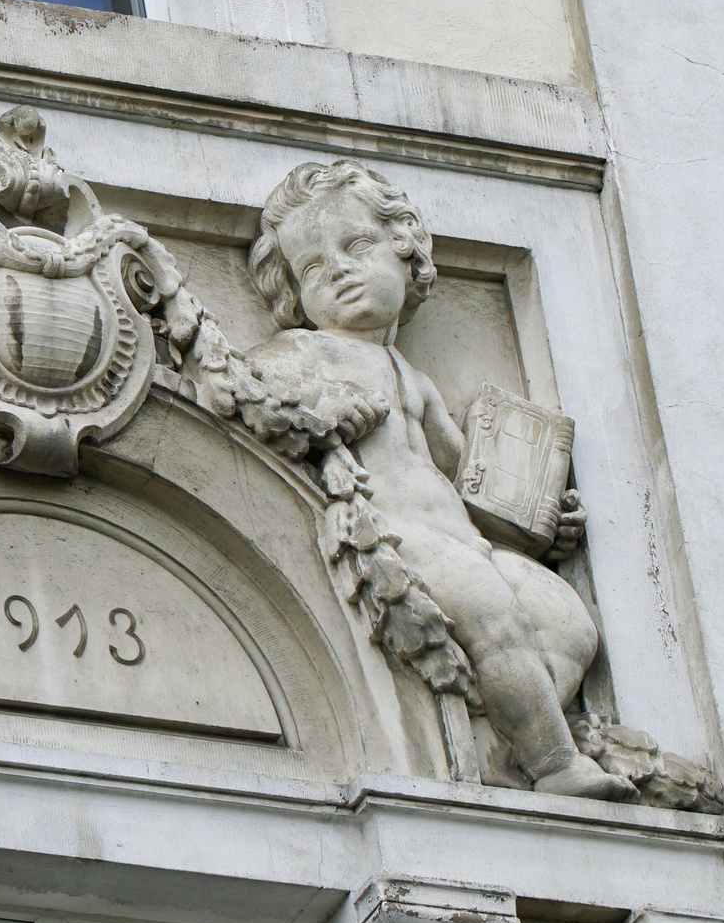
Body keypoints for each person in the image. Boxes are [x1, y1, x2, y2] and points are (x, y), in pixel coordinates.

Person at [240, 161, 635, 801]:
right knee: (494, 613)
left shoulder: (411, 376)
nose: (337, 270)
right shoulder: (307, 353)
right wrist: (321, 412)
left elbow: (461, 477)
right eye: (312, 268)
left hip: (460, 538)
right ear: (294, 293)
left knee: (568, 624)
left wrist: (532, 524)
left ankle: (504, 744)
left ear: (405, 248)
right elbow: (246, 394)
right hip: (391, 536)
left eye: (356, 246)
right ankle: (557, 762)